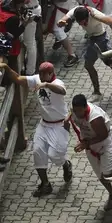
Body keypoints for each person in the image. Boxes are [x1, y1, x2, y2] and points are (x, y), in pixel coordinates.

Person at [0, 61, 73, 196]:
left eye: (43, 74)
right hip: (44, 124)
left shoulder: (58, 83)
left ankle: (65, 164)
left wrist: (46, 84)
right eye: (39, 73)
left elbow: (62, 91)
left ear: (51, 74)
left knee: (55, 155)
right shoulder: (37, 79)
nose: (40, 76)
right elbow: (17, 78)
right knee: (38, 152)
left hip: (60, 125)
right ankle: (45, 185)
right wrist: (6, 67)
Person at [65, 94, 112, 211]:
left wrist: (86, 144)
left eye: (79, 111)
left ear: (85, 108)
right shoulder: (74, 110)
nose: (77, 114)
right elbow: (70, 112)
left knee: (107, 174)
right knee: (100, 175)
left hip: (104, 143)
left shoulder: (95, 118)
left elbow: (103, 135)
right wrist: (66, 120)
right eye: (75, 110)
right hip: (90, 145)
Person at [57, 6, 112, 102]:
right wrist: (61, 22)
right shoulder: (76, 10)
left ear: (88, 17)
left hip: (101, 39)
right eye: (79, 23)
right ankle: (97, 92)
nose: (81, 25)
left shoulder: (95, 14)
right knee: (88, 65)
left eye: (84, 23)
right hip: (92, 40)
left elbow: (111, 21)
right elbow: (63, 19)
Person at [47, 0, 79, 67]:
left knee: (57, 29)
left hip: (66, 4)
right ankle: (59, 40)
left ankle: (72, 55)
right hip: (59, 5)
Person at [22, 0, 42, 75]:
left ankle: (30, 71)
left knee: (30, 42)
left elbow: (25, 1)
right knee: (26, 41)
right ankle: (27, 68)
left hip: (31, 11)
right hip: (28, 10)